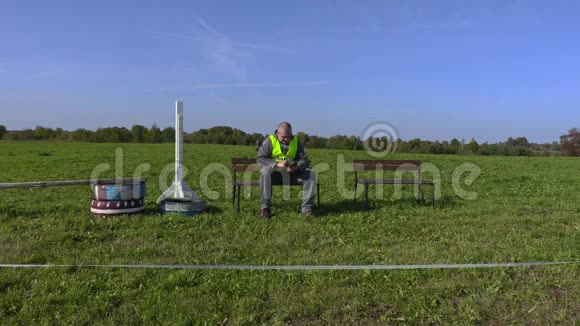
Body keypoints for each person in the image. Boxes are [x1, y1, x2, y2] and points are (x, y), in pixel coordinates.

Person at [257, 122, 317, 218]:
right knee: (264, 172)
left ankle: (307, 209)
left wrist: (295, 167)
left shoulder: (296, 141)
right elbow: (260, 159)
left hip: (292, 174)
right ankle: (265, 209)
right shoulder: (269, 141)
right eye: (284, 137)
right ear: (277, 133)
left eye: (288, 136)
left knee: (311, 174)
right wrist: (277, 164)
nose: (287, 139)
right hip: (274, 175)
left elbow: (304, 159)